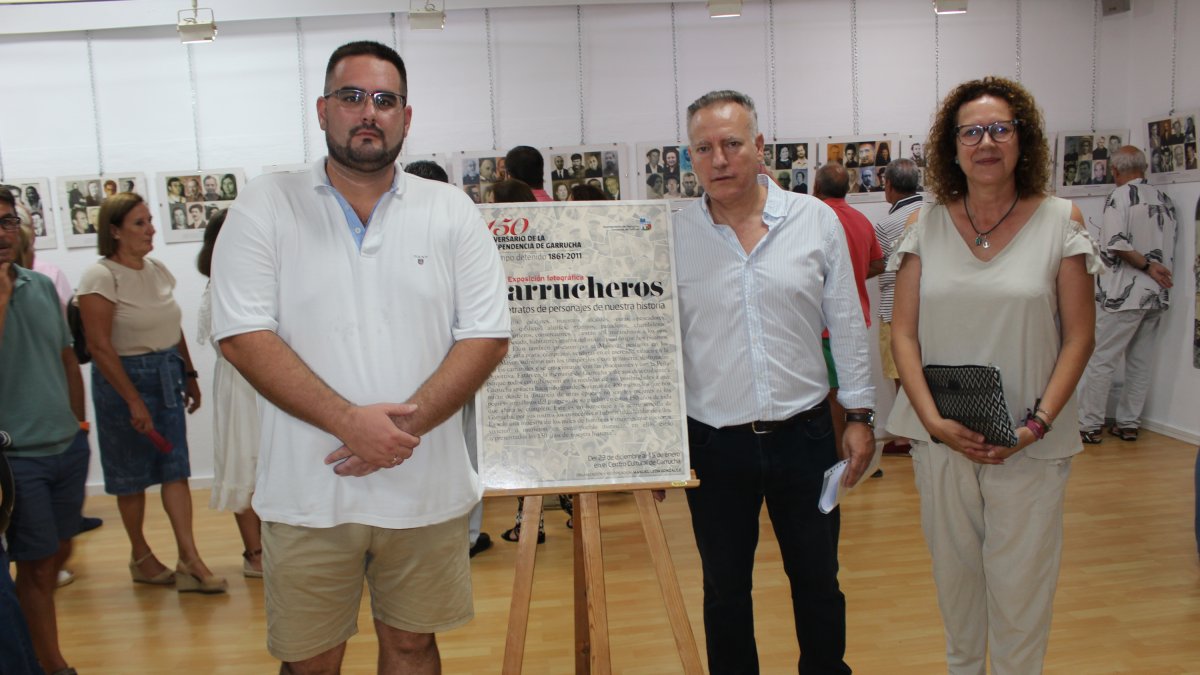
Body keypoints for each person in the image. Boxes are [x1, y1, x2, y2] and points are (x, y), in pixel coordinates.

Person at [210, 41, 510, 673]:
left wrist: (402, 428)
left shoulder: (451, 211)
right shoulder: (266, 204)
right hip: (307, 491)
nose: (367, 112)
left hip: (424, 487)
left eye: (385, 100)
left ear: (406, 115)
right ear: (322, 110)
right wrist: (350, 423)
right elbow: (241, 335)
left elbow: (486, 335)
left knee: (412, 646)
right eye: (351, 97)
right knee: (311, 659)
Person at [887, 76, 1097, 674]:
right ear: (950, 148)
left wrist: (1037, 424)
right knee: (957, 593)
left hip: (1029, 444)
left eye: (1000, 129)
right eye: (971, 131)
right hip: (942, 441)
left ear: (1022, 140)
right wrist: (931, 420)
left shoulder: (1061, 220)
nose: (986, 142)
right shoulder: (925, 223)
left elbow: (1079, 335)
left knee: (1021, 599)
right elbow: (902, 331)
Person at [673, 90, 875, 674]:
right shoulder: (674, 235)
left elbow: (849, 323)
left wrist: (859, 417)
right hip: (714, 445)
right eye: (703, 149)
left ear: (760, 148)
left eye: (732, 144)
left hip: (806, 437)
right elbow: (661, 347)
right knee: (725, 592)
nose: (719, 159)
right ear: (690, 158)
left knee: (818, 582)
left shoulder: (813, 221)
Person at [76, 192, 225, 596]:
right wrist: (132, 400)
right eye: (139, 223)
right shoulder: (100, 277)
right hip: (123, 380)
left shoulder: (156, 270)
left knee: (174, 469)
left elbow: (170, 324)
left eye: (150, 221)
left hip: (165, 374)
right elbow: (99, 345)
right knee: (131, 476)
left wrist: (189, 373)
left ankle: (189, 558)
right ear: (114, 231)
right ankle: (140, 555)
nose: (150, 229)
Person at [0, 191, 89, 675]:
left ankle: (32, 643)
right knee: (35, 563)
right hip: (18, 456)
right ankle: (51, 662)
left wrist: (79, 425)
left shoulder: (39, 285)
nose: (2, 233)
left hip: (65, 444)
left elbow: (67, 357)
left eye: (8, 222)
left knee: (59, 550)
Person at [1077, 146, 1176, 445]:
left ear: (1115, 171)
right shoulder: (1165, 199)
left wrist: (1145, 265)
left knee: (1102, 359)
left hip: (1125, 293)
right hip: (1157, 295)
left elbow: (1116, 242)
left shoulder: (1119, 197)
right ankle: (1129, 424)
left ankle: (1089, 424)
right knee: (1140, 362)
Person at [195, 210, 264, 577]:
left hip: (261, 384)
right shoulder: (223, 283)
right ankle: (254, 552)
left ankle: (268, 546)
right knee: (245, 466)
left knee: (266, 468)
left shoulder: (249, 277)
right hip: (242, 388)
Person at [813, 162, 884, 469]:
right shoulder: (861, 220)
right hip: (857, 320)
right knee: (848, 392)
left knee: (832, 397)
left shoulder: (814, 220)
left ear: (816, 188)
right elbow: (879, 264)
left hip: (825, 326)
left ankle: (842, 460)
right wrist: (853, 278)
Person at [873, 159, 924, 455]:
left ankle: (906, 435)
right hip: (929, 307)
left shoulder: (886, 225)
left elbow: (879, 265)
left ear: (889, 187)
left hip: (895, 306)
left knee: (899, 371)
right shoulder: (933, 212)